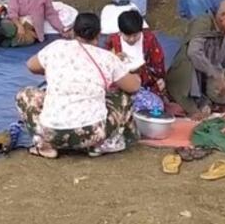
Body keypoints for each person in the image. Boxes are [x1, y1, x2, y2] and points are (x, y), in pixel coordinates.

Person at [16, 13, 141, 159]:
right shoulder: (107, 58)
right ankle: (100, 145)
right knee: (123, 96)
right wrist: (136, 77)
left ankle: (45, 146)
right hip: (93, 134)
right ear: (98, 34)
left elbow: (31, 65)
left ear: (73, 32)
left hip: (52, 133)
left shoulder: (56, 47)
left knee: (25, 95)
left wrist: (55, 70)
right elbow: (133, 87)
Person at [166, 0, 225, 118]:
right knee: (188, 63)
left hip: (207, 71)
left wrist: (221, 78)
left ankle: (206, 101)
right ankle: (191, 106)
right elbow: (193, 52)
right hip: (189, 69)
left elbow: (220, 61)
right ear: (222, 16)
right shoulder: (203, 22)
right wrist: (214, 74)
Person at [105, 10, 166, 97]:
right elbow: (105, 62)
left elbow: (158, 61)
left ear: (141, 31)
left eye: (135, 35)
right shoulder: (113, 41)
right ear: (120, 32)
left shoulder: (149, 39)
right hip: (123, 79)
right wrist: (114, 58)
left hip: (145, 78)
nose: (132, 39)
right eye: (127, 36)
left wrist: (160, 78)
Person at [1, 0, 67, 47]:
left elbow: (51, 14)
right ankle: (5, 36)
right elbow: (12, 13)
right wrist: (19, 26)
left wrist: (62, 29)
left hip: (31, 29)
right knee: (7, 27)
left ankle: (4, 40)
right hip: (16, 23)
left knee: (21, 40)